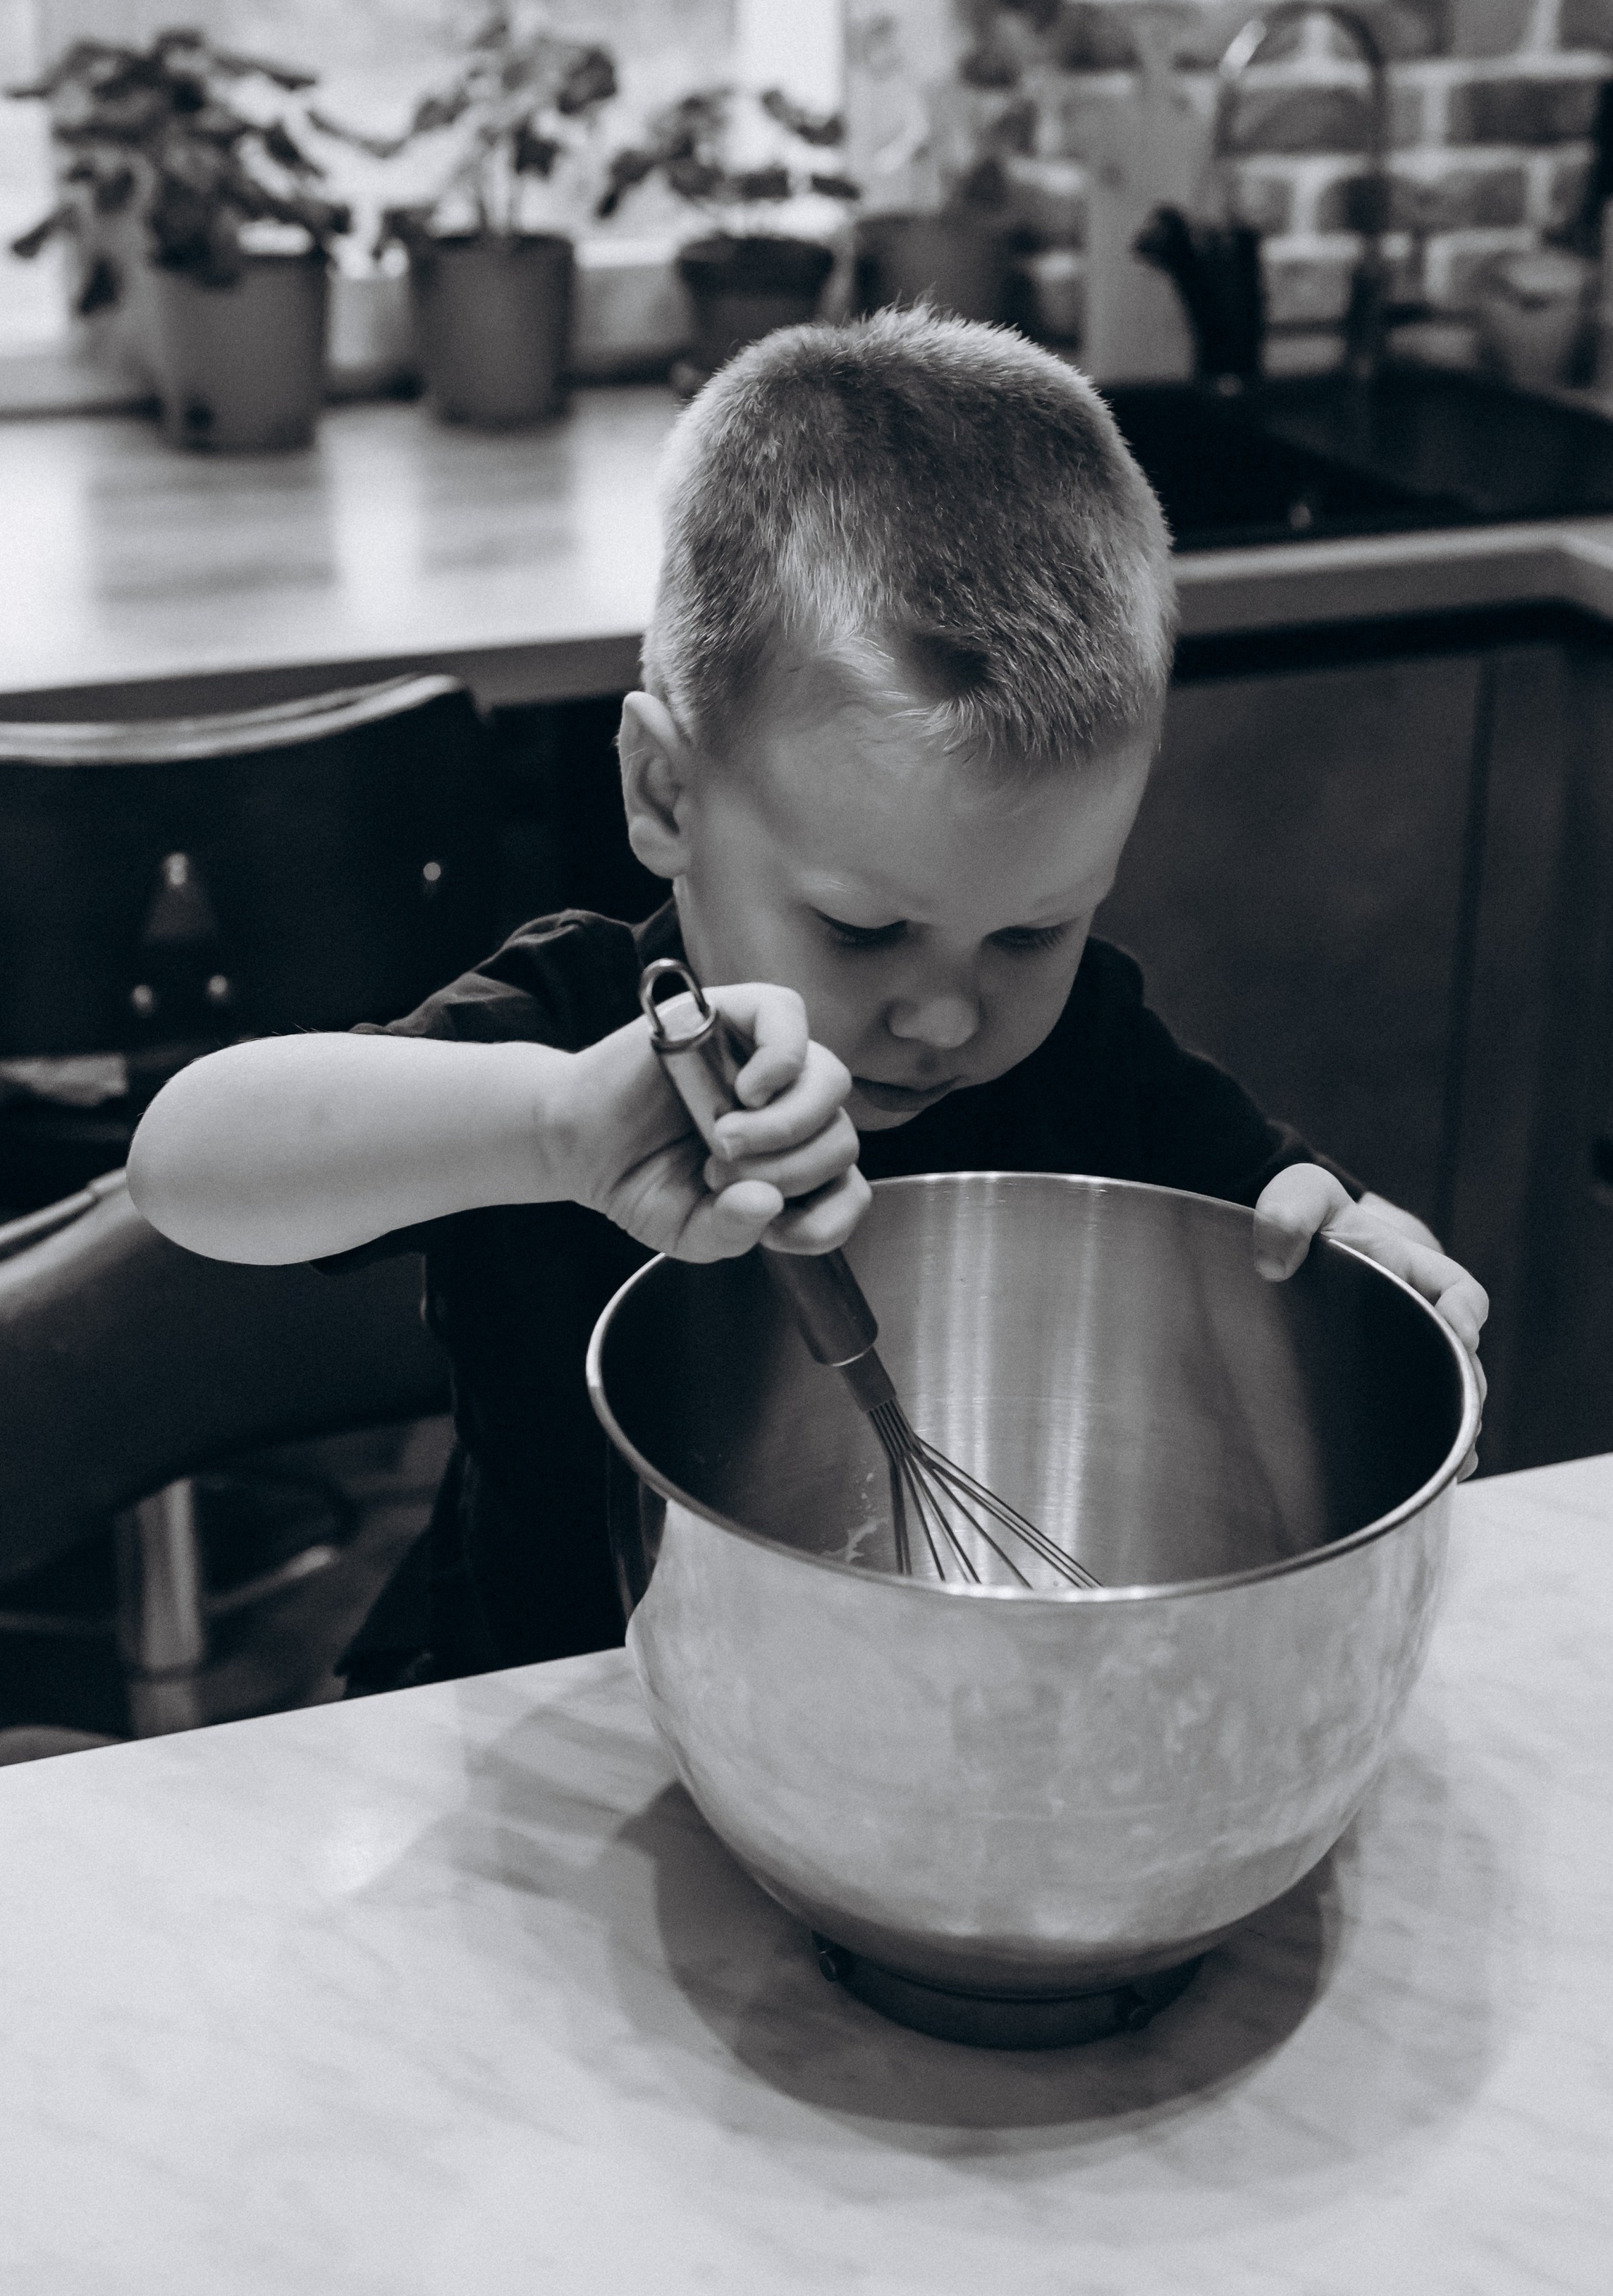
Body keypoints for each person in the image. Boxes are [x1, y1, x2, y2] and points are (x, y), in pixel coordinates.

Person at [128, 309, 1487, 1686]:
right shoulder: (583, 1033)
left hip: (953, 1744)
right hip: (557, 1746)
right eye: (862, 926)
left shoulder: (1087, 1055)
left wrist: (1356, 1267)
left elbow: (1282, 1227)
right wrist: (543, 1127)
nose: (947, 1014)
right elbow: (188, 1163)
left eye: (1032, 931)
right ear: (665, 794)